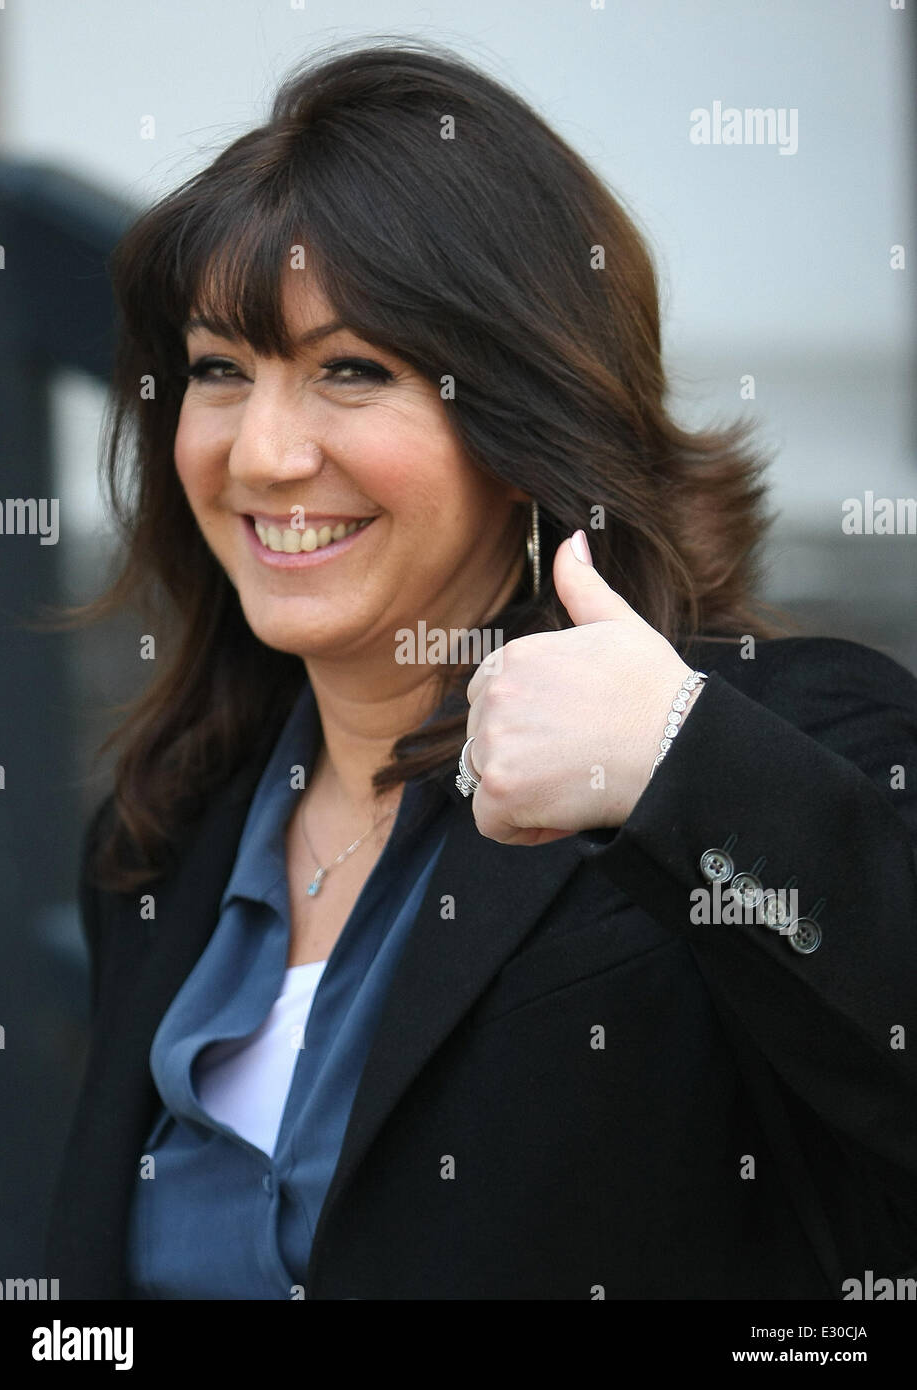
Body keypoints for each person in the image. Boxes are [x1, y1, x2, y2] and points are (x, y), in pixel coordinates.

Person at [45, 38, 917, 1300]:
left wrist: (682, 769)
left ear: (519, 421)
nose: (266, 452)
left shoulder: (785, 736)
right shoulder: (169, 831)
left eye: (353, 370)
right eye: (221, 370)